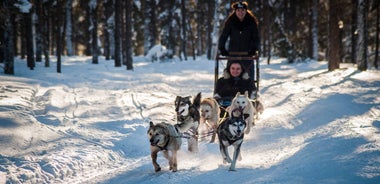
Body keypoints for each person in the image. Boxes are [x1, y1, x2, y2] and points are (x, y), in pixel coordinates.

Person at [218, 1, 260, 80]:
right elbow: (224, 35)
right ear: (235, 11)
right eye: (238, 10)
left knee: (248, 76)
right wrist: (222, 48)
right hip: (233, 53)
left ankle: (251, 90)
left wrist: (254, 49)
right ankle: (230, 90)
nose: (240, 12)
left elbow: (256, 37)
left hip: (247, 54)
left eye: (242, 10)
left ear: (246, 11)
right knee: (230, 76)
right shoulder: (230, 22)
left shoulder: (251, 22)